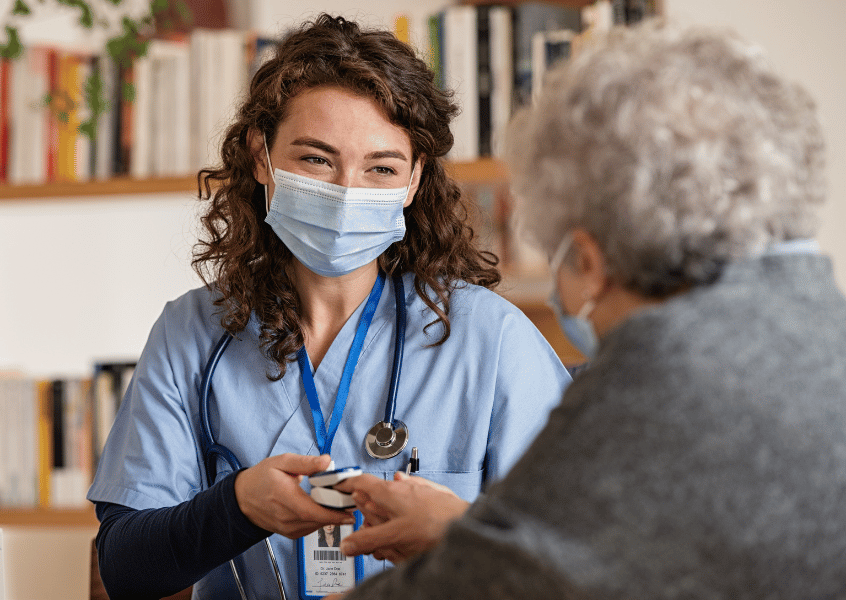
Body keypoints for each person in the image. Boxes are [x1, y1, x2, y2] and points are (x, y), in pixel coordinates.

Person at [332, 20, 846, 599]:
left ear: (589, 260)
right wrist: (460, 531)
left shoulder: (661, 372)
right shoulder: (818, 316)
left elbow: (508, 577)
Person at [86, 13, 570, 600]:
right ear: (261, 156)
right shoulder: (193, 334)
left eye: (382, 168)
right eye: (316, 160)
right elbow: (125, 567)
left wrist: (455, 536)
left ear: (414, 181)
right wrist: (236, 506)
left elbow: (576, 561)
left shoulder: (490, 340)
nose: (347, 191)